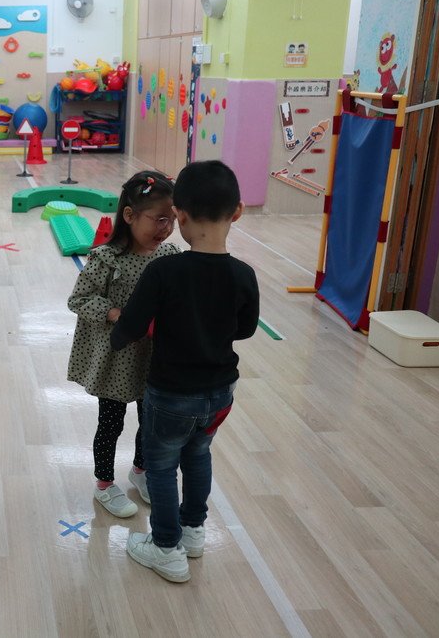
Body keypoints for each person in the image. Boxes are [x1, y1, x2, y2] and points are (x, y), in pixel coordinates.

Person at [110, 160, 259, 583]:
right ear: (237, 212)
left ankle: (165, 548)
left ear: (180, 214)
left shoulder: (164, 270)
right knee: (198, 455)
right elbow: (245, 330)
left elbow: (131, 326)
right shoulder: (244, 274)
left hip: (171, 394)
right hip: (220, 394)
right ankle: (193, 532)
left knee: (160, 467)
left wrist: (117, 339)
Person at [67, 172, 179, 519]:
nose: (166, 228)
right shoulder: (106, 258)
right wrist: (116, 313)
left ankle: (141, 471)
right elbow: (78, 299)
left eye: (172, 220)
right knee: (111, 424)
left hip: (153, 358)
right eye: (159, 219)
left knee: (151, 421)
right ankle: (104, 484)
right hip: (116, 360)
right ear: (129, 215)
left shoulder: (170, 254)